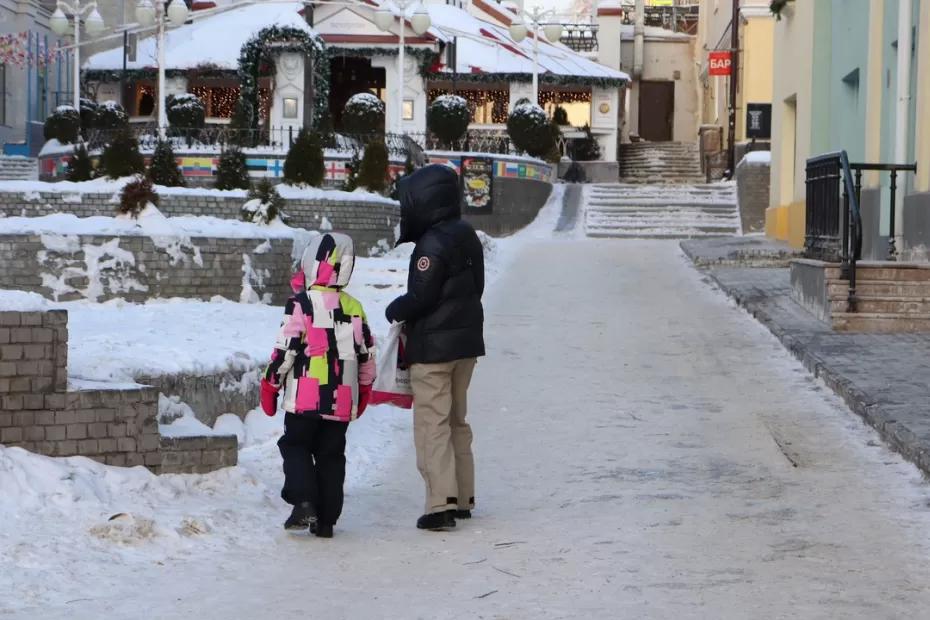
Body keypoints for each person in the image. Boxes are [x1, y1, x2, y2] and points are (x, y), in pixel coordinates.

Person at [386, 164, 485, 532]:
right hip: (466, 345)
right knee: (457, 419)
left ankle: (439, 503)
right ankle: (462, 496)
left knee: (433, 423)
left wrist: (397, 308)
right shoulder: (468, 235)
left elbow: (422, 297)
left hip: (433, 350)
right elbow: (476, 288)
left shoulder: (431, 243)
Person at [260, 232, 376, 538]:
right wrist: (364, 388)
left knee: (295, 446)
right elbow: (367, 353)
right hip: (341, 400)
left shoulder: (300, 304)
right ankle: (327, 520)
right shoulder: (355, 308)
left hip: (305, 398)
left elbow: (286, 350)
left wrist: (270, 384)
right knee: (331, 456)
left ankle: (304, 502)